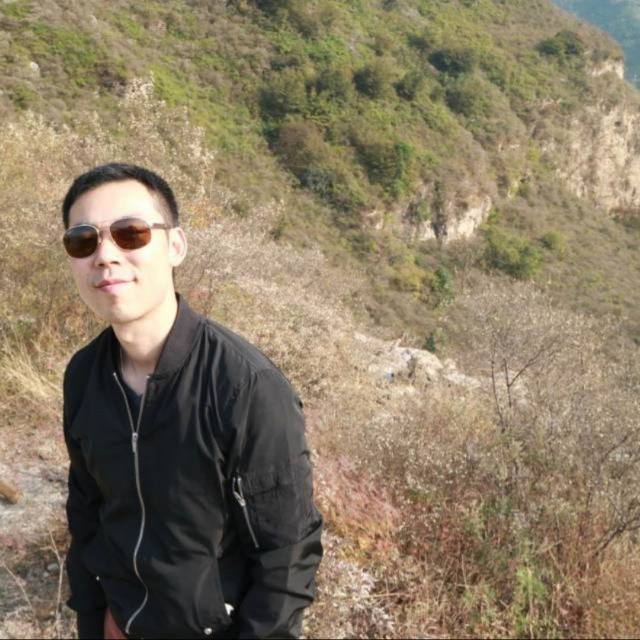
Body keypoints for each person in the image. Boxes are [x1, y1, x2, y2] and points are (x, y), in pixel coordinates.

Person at [61, 163, 323, 639]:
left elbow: (287, 557)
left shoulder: (245, 385)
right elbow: (87, 514)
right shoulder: (85, 376)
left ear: (175, 246)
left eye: (131, 234)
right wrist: (93, 621)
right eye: (84, 241)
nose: (105, 256)